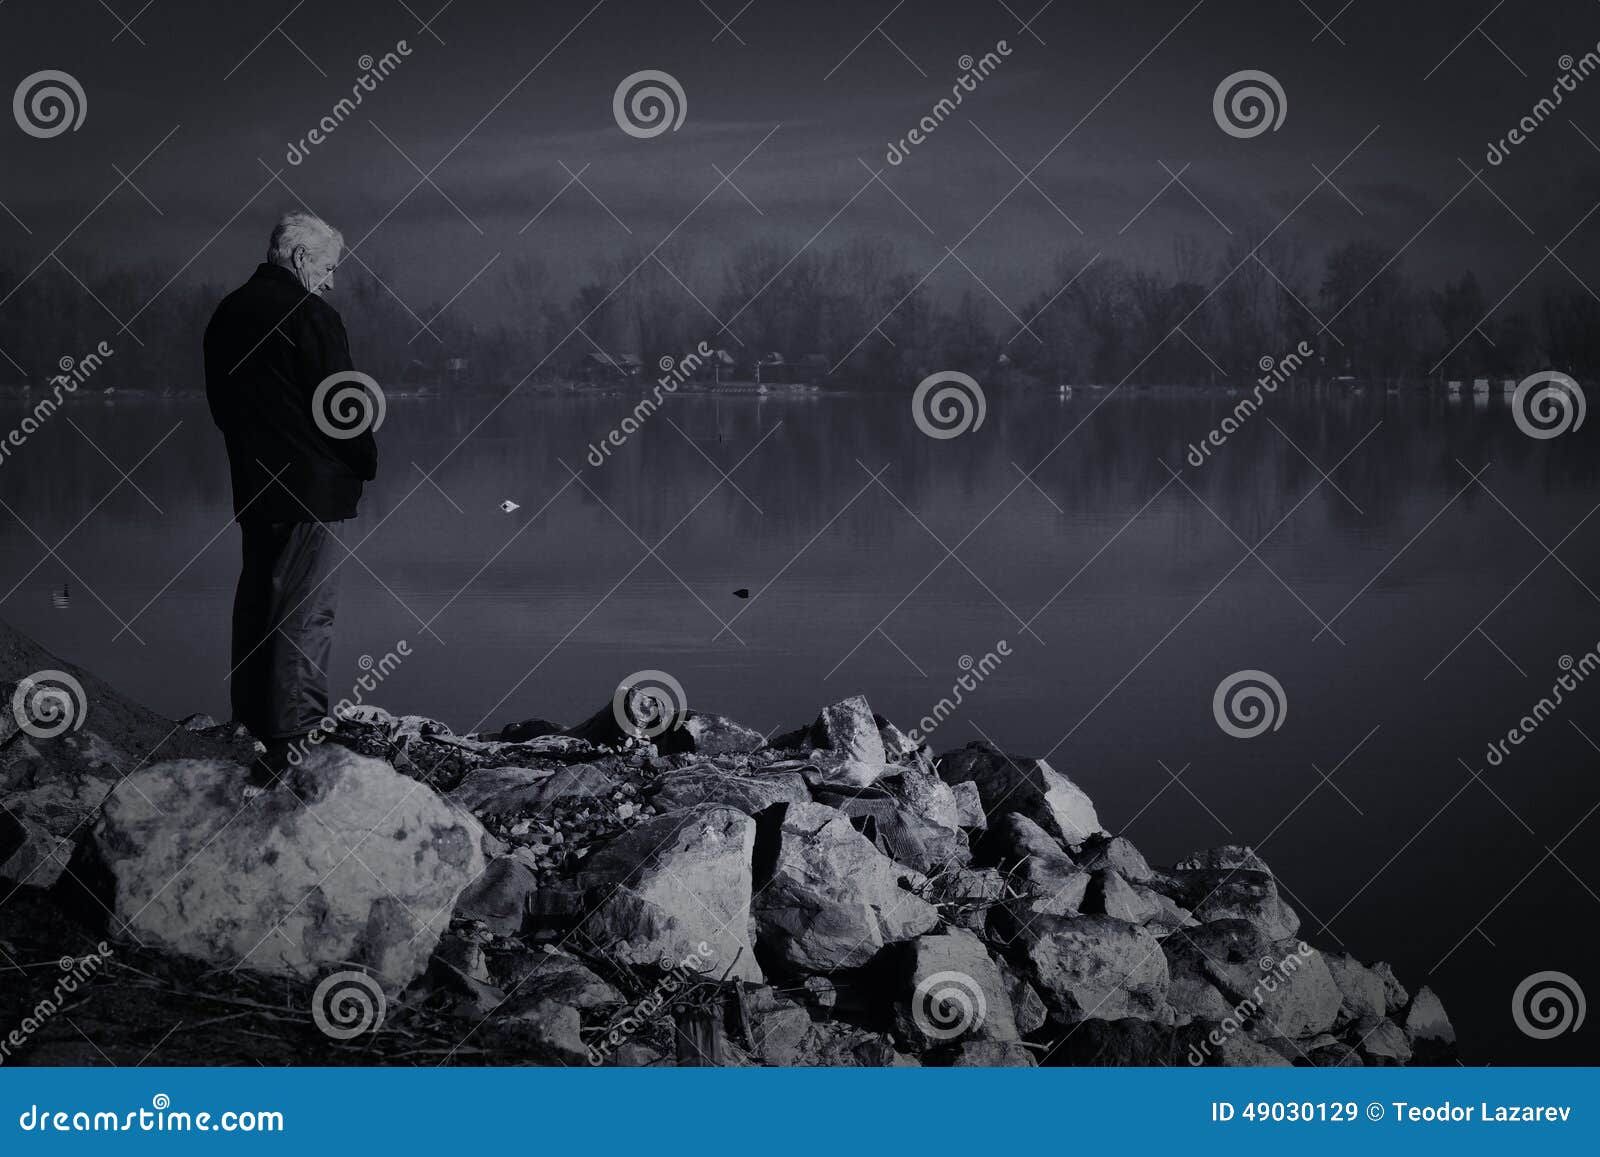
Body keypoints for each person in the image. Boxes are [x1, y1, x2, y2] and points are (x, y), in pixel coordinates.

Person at [203, 211, 378, 787]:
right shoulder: (311, 315)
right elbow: (342, 405)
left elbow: (221, 409)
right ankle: (296, 737)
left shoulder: (228, 314)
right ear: (303, 260)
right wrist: (364, 461)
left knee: (259, 599)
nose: (331, 280)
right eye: (328, 267)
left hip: (254, 482)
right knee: (306, 610)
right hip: (313, 488)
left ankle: (250, 722)